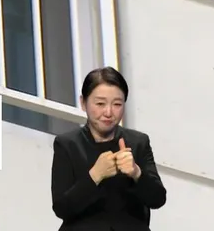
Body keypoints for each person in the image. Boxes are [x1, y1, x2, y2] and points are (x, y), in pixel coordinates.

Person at [50, 67, 167, 230]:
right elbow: (62, 208)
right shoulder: (67, 144)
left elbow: (158, 199)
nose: (108, 112)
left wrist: (136, 173)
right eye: (100, 104)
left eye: (117, 104)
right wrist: (95, 175)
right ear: (83, 103)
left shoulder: (138, 142)